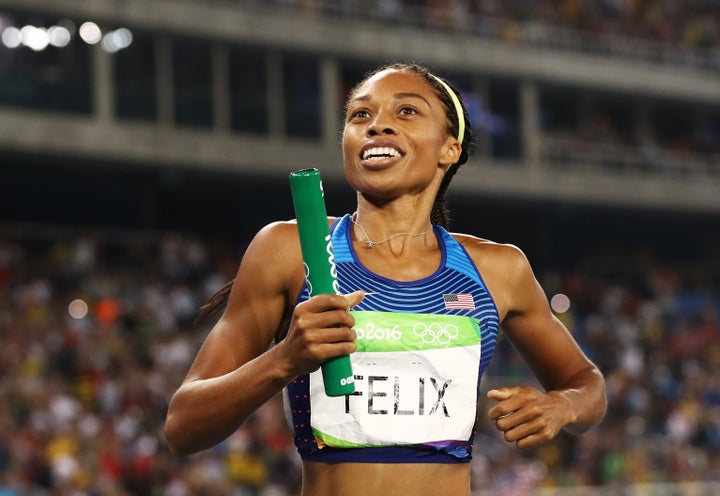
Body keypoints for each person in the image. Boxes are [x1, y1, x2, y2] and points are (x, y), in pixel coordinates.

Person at [164, 62, 607, 495]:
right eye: (360, 114)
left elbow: (588, 384)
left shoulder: (497, 269)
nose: (378, 126)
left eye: (407, 111)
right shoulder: (289, 250)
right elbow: (182, 427)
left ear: (449, 148)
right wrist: (284, 359)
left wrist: (561, 406)